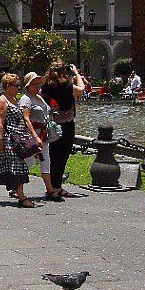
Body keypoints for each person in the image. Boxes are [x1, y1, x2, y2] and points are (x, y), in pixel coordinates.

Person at [0, 73, 38, 208]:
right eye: (16, 85)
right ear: (7, 86)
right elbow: (0, 123)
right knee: (18, 166)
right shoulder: (2, 101)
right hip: (9, 139)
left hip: (18, 138)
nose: (18, 88)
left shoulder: (14, 99)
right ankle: (22, 197)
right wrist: (0, 141)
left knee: (2, 166)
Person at [42, 61, 87, 200]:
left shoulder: (46, 86)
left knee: (53, 156)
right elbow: (81, 89)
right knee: (62, 156)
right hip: (66, 124)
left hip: (51, 124)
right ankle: (56, 187)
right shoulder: (67, 86)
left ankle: (53, 186)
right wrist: (76, 73)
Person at [18, 72, 59, 201]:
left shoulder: (39, 97)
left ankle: (50, 190)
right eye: (35, 84)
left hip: (43, 135)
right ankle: (17, 189)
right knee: (27, 162)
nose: (38, 86)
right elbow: (26, 118)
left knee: (45, 161)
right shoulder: (26, 99)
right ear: (28, 86)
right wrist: (34, 135)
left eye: (39, 83)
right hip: (31, 136)